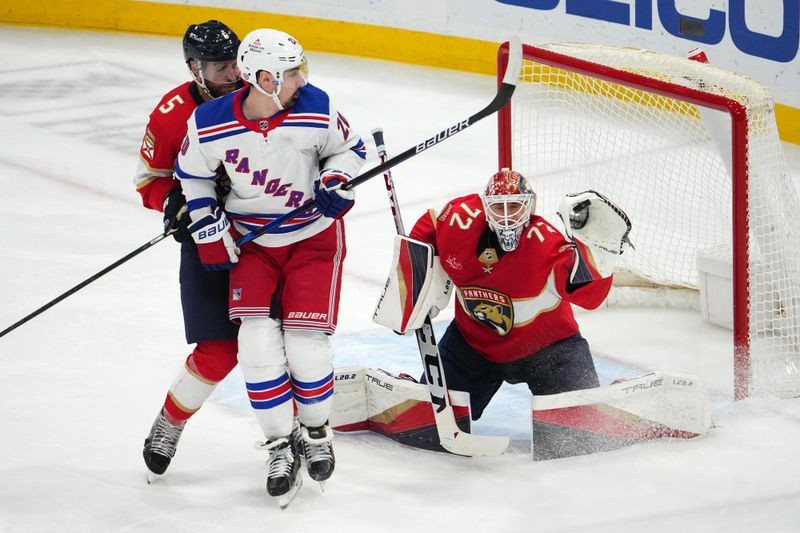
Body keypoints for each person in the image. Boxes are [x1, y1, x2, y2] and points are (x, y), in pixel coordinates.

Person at [175, 28, 367, 502]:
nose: (301, 81)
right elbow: (192, 175)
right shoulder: (209, 122)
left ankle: (317, 433)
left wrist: (337, 178)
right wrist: (204, 223)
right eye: (290, 74)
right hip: (254, 244)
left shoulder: (316, 107)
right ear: (263, 79)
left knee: (306, 346)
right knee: (255, 344)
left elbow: (351, 149)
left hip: (312, 238)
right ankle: (280, 443)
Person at [404, 168, 632, 421]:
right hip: (472, 346)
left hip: (549, 352)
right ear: (485, 206)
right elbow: (431, 224)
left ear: (529, 206)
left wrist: (601, 254)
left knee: (577, 434)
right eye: (498, 208)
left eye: (513, 207)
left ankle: (611, 400)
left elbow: (590, 298)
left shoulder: (546, 245)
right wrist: (410, 285)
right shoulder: (459, 222)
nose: (506, 218)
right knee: (428, 423)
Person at [134, 20, 244, 479]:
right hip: (208, 240)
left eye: (235, 61)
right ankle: (170, 423)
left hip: (272, 237)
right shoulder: (171, 114)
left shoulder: (263, 93)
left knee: (287, 346)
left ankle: (294, 436)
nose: (233, 73)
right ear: (194, 68)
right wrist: (174, 203)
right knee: (218, 352)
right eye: (221, 67)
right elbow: (148, 180)